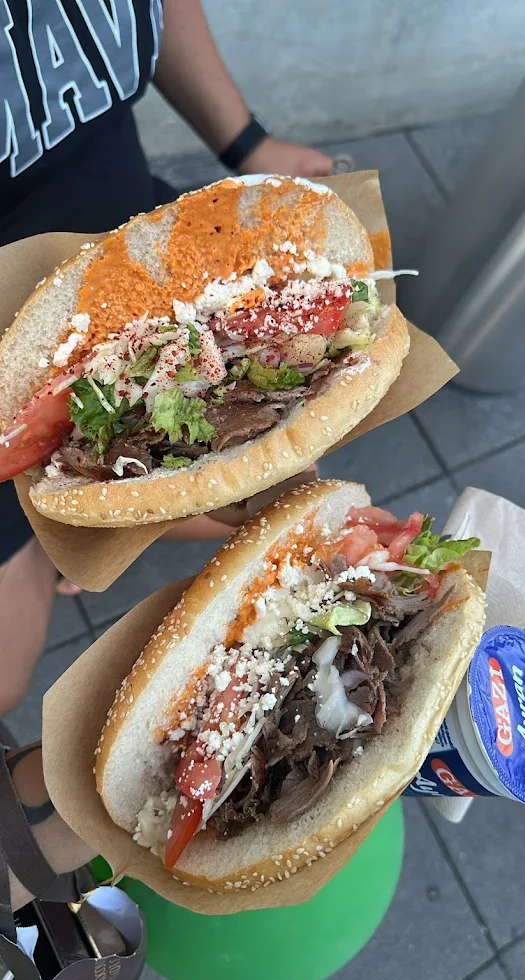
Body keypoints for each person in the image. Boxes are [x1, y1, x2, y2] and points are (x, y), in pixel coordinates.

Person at [0, 0, 333, 714]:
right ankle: (74, 528)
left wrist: (246, 143)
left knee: (260, 481)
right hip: (16, 407)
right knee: (6, 677)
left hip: (152, 263)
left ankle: (103, 515)